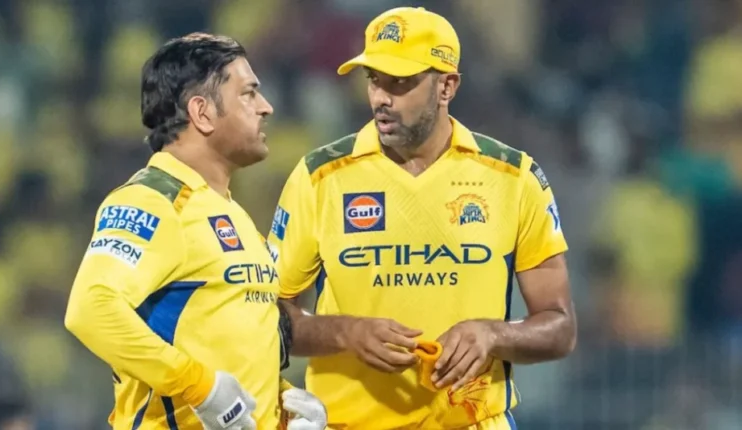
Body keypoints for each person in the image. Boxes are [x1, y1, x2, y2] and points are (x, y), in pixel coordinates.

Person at [268, 7, 577, 430]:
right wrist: (345, 332)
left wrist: (492, 334)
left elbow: (559, 327)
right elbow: (266, 315)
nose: (381, 98)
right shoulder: (320, 177)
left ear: (447, 86)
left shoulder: (513, 177)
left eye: (400, 83)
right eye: (374, 79)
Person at [64, 32, 326, 430]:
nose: (266, 107)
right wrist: (197, 386)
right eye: (248, 94)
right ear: (202, 113)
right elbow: (90, 309)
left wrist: (282, 410)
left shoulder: (232, 214)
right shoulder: (153, 200)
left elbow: (229, 351)